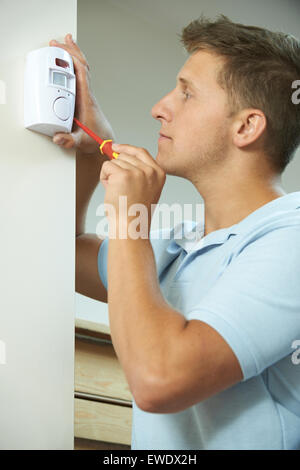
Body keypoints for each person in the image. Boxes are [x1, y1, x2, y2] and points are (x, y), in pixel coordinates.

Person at [49, 14, 300, 450]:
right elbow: (57, 254)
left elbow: (158, 380)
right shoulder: (181, 244)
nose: (160, 106)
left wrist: (128, 216)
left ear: (246, 127)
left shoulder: (291, 239)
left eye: (187, 93)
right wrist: (94, 150)